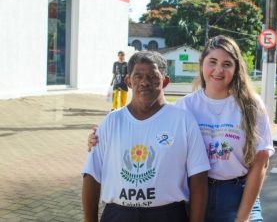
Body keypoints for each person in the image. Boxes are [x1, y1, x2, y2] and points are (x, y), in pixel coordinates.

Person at [88, 36, 275, 222]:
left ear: (236, 69)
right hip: (193, 195)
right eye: (212, 62)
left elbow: (260, 163)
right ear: (202, 65)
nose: (218, 70)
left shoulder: (250, 106)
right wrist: (102, 134)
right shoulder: (185, 106)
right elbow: (149, 128)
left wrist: (242, 218)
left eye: (227, 64)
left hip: (236, 195)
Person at [82, 51, 210, 222]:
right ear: (128, 81)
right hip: (118, 214)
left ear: (165, 81)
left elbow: (198, 178)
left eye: (152, 76)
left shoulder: (183, 120)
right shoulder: (111, 121)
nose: (145, 82)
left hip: (167, 215)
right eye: (138, 76)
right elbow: (91, 175)